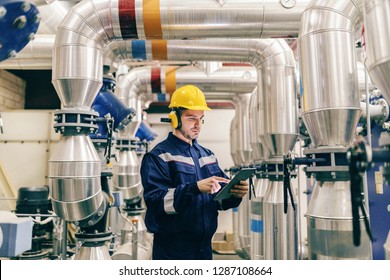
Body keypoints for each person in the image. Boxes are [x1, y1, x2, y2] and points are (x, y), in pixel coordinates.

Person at [140, 85, 249, 260]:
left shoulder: (208, 156)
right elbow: (157, 203)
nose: (198, 125)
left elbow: (218, 202)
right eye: (191, 118)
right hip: (173, 253)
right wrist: (195, 188)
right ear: (175, 119)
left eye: (201, 118)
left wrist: (235, 193)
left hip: (204, 250)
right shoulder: (158, 157)